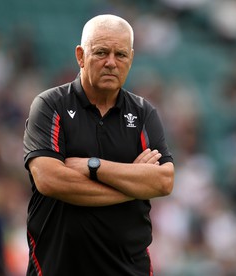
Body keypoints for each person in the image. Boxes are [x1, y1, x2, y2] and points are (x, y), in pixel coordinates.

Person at [23, 14, 175, 276]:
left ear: (131, 59)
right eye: (102, 52)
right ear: (81, 56)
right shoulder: (50, 105)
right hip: (57, 267)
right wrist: (132, 186)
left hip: (129, 269)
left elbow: (163, 181)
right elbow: (49, 180)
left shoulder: (143, 113)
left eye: (121, 55)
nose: (111, 63)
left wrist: (93, 166)